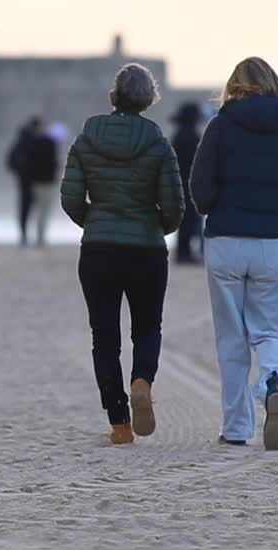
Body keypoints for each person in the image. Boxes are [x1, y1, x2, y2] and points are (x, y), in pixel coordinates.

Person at [189, 57, 278, 450]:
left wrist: (214, 208)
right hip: (272, 243)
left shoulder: (221, 126)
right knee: (271, 328)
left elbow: (199, 187)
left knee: (231, 338)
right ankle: (275, 378)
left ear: (235, 86)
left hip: (226, 240)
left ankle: (236, 429)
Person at [61, 63, 185, 445]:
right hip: (146, 250)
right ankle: (142, 381)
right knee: (147, 327)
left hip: (99, 249)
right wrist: (155, 228)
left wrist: (94, 223)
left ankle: (119, 423)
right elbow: (175, 207)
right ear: (148, 100)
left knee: (104, 336)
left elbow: (69, 198)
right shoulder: (158, 142)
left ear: (113, 96)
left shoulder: (86, 138)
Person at [170, 102, 205, 264]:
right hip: (191, 184)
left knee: (184, 221)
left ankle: (184, 252)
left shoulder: (178, 136)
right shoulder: (193, 137)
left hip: (178, 184)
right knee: (191, 221)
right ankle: (187, 254)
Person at [6, 117, 41, 247]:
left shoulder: (20, 141)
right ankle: (29, 236)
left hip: (23, 179)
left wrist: (19, 172)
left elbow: (10, 161)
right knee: (33, 208)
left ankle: (24, 236)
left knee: (24, 208)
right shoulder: (32, 141)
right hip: (33, 180)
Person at [25, 121, 60, 247]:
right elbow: (55, 163)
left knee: (37, 210)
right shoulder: (51, 144)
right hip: (47, 183)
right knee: (44, 211)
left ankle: (33, 236)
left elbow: (30, 164)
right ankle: (40, 237)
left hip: (36, 182)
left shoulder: (34, 144)